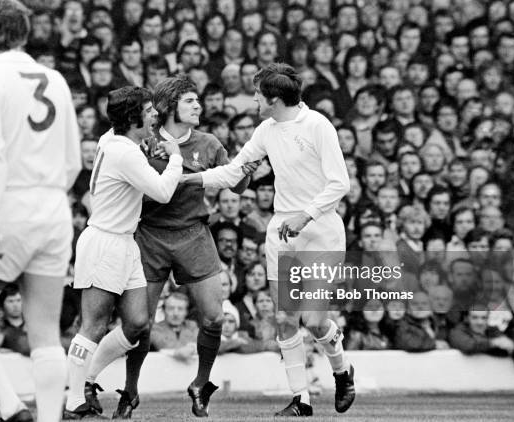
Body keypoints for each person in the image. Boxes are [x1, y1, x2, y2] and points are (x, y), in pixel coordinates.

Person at [183, 63, 355, 417]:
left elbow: (340, 183)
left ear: (275, 99)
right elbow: (234, 172)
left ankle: (342, 371)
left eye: (259, 94)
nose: (255, 99)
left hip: (320, 231)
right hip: (282, 233)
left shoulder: (318, 125)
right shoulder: (266, 129)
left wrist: (305, 214)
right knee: (285, 317)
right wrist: (188, 180)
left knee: (316, 320)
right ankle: (300, 399)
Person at [0, 1, 82, 422]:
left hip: (8, 206)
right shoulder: (56, 78)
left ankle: (10, 409)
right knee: (44, 330)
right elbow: (74, 159)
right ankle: (47, 418)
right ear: (24, 33)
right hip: (55, 207)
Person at [122, 74, 250, 419]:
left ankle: (201, 384)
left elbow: (237, 186)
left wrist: (245, 167)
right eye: (190, 101)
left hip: (193, 234)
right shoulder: (142, 142)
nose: (199, 106)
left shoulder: (209, 143)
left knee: (213, 318)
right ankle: (130, 389)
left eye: (198, 100)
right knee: (139, 324)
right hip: (149, 235)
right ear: (168, 107)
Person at [63, 86, 182, 419]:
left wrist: (143, 141)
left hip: (124, 242)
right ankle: (73, 400)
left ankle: (85, 379)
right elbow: (161, 192)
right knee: (93, 325)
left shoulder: (113, 141)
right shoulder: (124, 152)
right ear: (133, 118)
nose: (155, 115)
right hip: (104, 241)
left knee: (138, 323)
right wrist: (175, 157)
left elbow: (126, 143)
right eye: (148, 111)